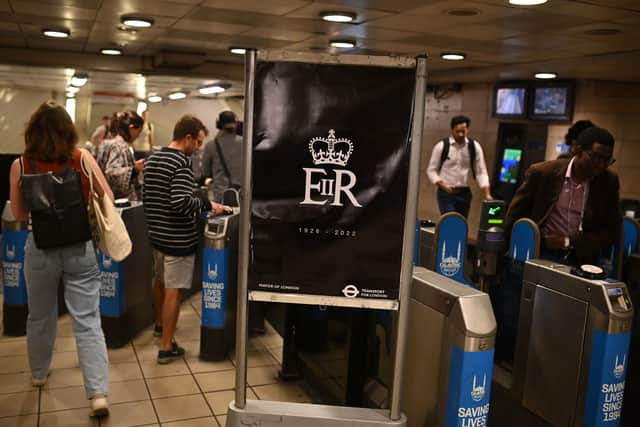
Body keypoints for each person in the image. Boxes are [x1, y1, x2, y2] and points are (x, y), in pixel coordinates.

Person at [8, 101, 113, 417]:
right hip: (80, 249)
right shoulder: (82, 159)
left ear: (32, 132)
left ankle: (39, 373)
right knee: (88, 321)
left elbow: (18, 213)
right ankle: (97, 394)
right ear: (68, 130)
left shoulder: (21, 165)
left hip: (40, 249)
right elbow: (106, 198)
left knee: (40, 316)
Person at [143, 115, 225, 363]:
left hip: (156, 234)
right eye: (198, 142)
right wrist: (207, 203)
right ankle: (166, 346)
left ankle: (159, 324)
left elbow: (152, 197)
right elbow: (181, 203)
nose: (198, 148)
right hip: (177, 239)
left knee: (158, 280)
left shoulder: (153, 158)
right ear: (187, 138)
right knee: (173, 290)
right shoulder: (180, 162)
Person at [505, 126, 621, 265]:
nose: (601, 165)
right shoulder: (543, 173)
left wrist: (569, 241)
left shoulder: (608, 181)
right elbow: (515, 217)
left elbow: (612, 231)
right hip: (540, 252)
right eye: (596, 158)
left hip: (582, 258)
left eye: (607, 160)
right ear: (577, 150)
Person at [426, 115, 492, 218]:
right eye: (458, 131)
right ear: (452, 130)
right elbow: (431, 170)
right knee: (450, 220)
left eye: (463, 131)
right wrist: (443, 185)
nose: (461, 134)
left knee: (462, 222)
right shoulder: (442, 146)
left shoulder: (474, 146)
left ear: (467, 130)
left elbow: (481, 171)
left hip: (464, 193)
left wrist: (487, 194)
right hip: (446, 192)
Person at [97, 111, 145, 201]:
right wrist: (135, 169)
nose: (138, 136)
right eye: (138, 132)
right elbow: (111, 172)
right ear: (131, 128)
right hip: (119, 200)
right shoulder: (120, 146)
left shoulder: (106, 143)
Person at [202, 110, 242, 201]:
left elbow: (205, 172)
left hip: (222, 196)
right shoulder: (245, 143)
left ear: (218, 124)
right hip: (243, 195)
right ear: (236, 124)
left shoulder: (211, 145)